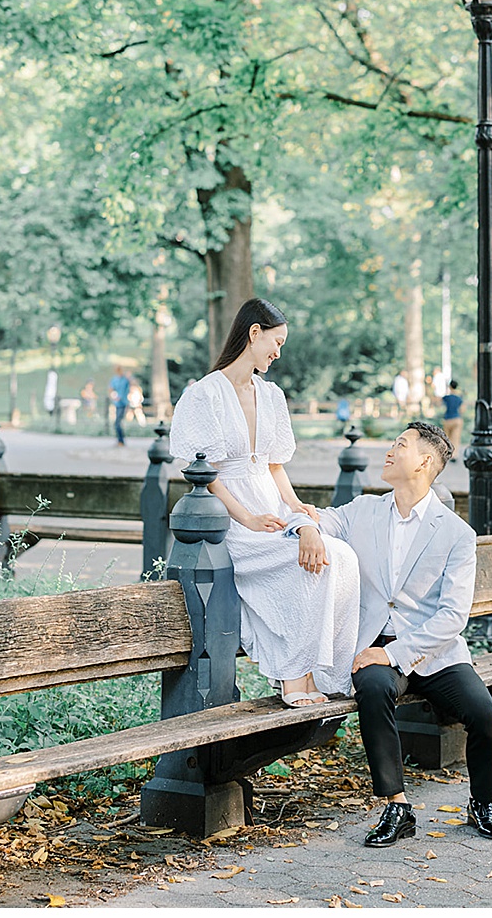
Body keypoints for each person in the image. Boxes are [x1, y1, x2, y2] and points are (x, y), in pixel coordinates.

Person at [291, 421, 492, 847]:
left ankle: (483, 802)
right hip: (373, 643)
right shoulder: (364, 510)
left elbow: (452, 616)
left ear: (425, 462)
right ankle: (397, 806)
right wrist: (308, 529)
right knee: (371, 689)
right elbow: (322, 518)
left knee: (485, 716)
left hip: (435, 649)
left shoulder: (456, 534)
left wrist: (395, 655)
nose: (389, 450)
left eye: (400, 445)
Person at [167, 299, 361, 707]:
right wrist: (248, 519)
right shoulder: (206, 395)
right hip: (232, 521)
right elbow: (207, 473)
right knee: (302, 564)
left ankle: (317, 671)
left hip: (271, 511)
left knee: (340, 557)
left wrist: (296, 508)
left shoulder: (271, 395)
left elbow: (274, 468)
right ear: (254, 333)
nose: (278, 353)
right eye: (276, 342)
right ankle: (293, 675)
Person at [440, 381, 465, 461]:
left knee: (447, 437)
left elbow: (439, 404)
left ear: (450, 387)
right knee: (456, 437)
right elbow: (462, 410)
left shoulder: (446, 398)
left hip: (447, 419)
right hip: (457, 419)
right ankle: (454, 455)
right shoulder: (459, 398)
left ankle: (447, 453)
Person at [110, 365, 131, 446]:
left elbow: (131, 384)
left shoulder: (125, 379)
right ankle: (120, 440)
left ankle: (121, 440)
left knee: (118, 422)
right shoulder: (115, 379)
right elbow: (111, 388)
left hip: (123, 402)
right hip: (118, 402)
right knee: (117, 423)